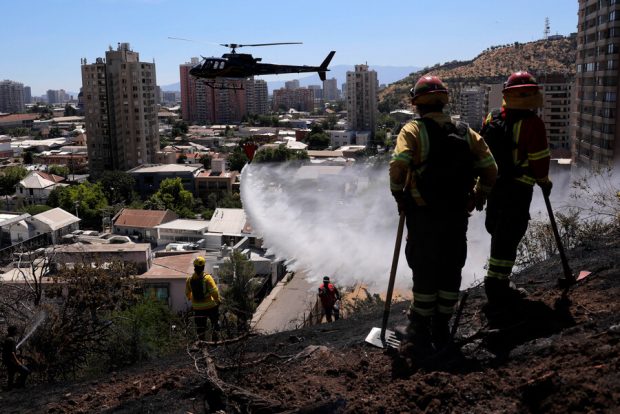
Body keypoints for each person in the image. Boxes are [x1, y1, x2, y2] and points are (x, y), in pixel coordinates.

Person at [389, 75, 497, 356]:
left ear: (416, 103)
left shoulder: (412, 130)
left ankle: (419, 329)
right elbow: (490, 169)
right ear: (444, 100)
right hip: (456, 216)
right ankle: (442, 325)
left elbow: (399, 164)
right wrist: (479, 194)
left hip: (423, 215)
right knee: (451, 268)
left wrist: (398, 194)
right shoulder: (466, 133)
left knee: (424, 268)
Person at [480, 71, 552, 308]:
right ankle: (497, 286)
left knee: (497, 230)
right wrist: (544, 180)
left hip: (494, 186)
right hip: (518, 188)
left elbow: (482, 153)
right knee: (509, 235)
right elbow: (539, 160)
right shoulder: (533, 124)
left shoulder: (491, 119)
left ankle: (497, 282)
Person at [185, 256, 221, 342]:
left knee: (200, 328)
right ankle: (215, 342)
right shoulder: (207, 278)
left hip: (197, 308)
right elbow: (214, 292)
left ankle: (202, 344)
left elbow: (187, 293)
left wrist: (191, 298)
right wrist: (218, 300)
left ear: (194, 267)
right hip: (210, 306)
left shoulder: (189, 280)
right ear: (204, 267)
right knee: (214, 323)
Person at [2, 326, 30, 390]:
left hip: (8, 361)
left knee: (11, 376)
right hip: (12, 362)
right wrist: (17, 362)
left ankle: (10, 389)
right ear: (13, 331)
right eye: (15, 330)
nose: (17, 331)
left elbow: (8, 351)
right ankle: (20, 385)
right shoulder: (11, 340)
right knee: (26, 371)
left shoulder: (7, 339)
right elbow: (12, 353)